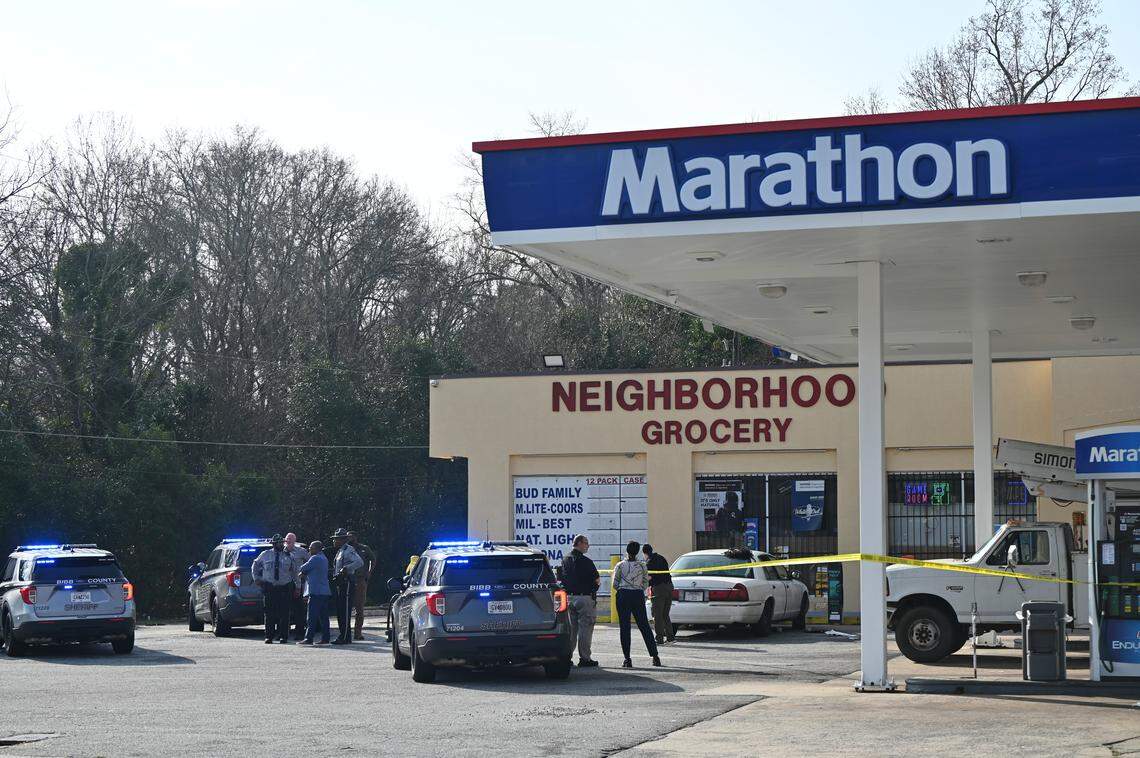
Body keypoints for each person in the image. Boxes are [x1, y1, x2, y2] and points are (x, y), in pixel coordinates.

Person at [612, 540, 661, 668]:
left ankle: (627, 659)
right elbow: (645, 582)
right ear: (638, 551)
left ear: (627, 551)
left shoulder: (620, 565)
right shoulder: (642, 565)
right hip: (637, 595)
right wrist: (638, 588)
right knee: (644, 625)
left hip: (623, 595)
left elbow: (614, 584)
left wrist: (623, 588)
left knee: (625, 627)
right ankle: (655, 656)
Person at [558, 534, 599, 668]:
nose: (588, 546)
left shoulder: (565, 559)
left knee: (571, 630)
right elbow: (596, 580)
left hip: (569, 598)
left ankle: (566, 657)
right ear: (579, 543)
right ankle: (585, 658)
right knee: (585, 629)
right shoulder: (587, 561)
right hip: (585, 598)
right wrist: (593, 589)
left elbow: (560, 579)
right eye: (586, 543)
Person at [251, 533, 300, 644]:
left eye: (282, 542)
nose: (281, 544)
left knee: (284, 613)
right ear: (274, 544)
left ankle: (283, 636)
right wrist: (256, 578)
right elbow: (255, 565)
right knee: (269, 613)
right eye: (278, 543)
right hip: (270, 587)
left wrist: (297, 587)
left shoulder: (289, 556)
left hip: (284, 587)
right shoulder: (265, 555)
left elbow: (295, 573)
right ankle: (269, 636)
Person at [329, 528, 363, 644]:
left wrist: (346, 568)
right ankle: (343, 635)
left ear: (342, 540)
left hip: (347, 582)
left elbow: (359, 562)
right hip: (341, 583)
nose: (334, 541)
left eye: (336, 539)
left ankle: (345, 637)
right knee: (340, 610)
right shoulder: (340, 551)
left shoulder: (349, 550)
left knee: (345, 610)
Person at [297, 540, 331, 645]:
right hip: (324, 591)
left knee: (311, 617)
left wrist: (303, 572)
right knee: (324, 617)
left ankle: (309, 638)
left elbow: (302, 567)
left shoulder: (315, 558)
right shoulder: (324, 558)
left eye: (311, 547)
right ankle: (326, 638)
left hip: (316, 592)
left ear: (317, 548)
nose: (309, 549)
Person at [642, 543, 675, 644]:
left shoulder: (649, 563)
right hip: (669, 587)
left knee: (657, 615)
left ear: (645, 553)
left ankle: (659, 638)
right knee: (665, 614)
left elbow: (650, 578)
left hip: (659, 589)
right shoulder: (661, 558)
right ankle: (670, 637)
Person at [346, 530, 375, 641]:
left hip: (360, 580)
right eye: (348, 537)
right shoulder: (345, 549)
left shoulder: (364, 548)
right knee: (346, 608)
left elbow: (373, 559)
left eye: (351, 536)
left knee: (359, 608)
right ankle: (346, 632)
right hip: (348, 579)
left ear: (356, 537)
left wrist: (369, 571)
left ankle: (358, 633)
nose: (350, 538)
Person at [284, 532, 309, 640]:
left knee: (299, 611)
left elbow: (310, 563)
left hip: (297, 585)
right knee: (283, 610)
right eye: (287, 539)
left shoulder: (301, 551)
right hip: (284, 585)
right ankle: (283, 633)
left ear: (295, 541)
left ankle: (299, 633)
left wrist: (304, 580)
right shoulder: (280, 552)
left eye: (291, 539)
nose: (288, 541)